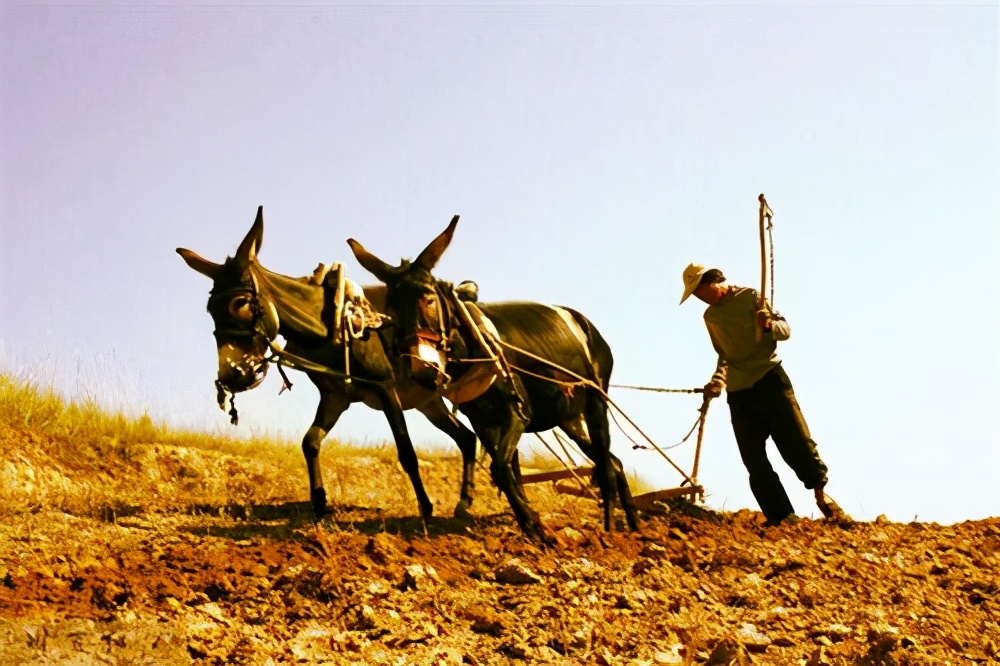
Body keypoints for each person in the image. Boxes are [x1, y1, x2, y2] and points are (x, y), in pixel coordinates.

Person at [679, 263, 844, 526]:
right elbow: (723, 354)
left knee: (797, 444)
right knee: (754, 460)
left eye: (699, 291)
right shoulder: (710, 317)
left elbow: (785, 329)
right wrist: (717, 382)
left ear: (711, 283)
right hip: (739, 392)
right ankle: (781, 517)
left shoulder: (751, 297)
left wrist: (768, 325)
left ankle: (822, 495)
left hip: (769, 380)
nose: (699, 298)